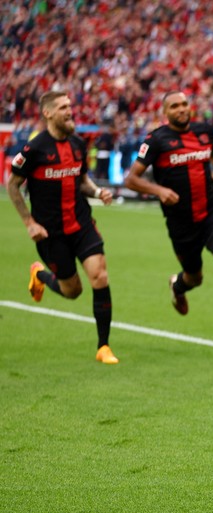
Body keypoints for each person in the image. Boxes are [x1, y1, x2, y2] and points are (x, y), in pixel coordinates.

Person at [123, 91, 213, 356]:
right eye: (174, 106)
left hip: (212, 211)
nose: (181, 109)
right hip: (181, 222)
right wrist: (159, 191)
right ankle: (178, 286)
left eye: (184, 104)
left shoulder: (204, 132)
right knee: (195, 277)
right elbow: (131, 179)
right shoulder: (156, 140)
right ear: (165, 112)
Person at [7, 90, 119, 364]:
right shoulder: (34, 150)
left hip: (81, 224)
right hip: (50, 233)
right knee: (73, 291)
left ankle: (103, 346)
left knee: (100, 277)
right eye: (63, 108)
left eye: (70, 106)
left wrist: (97, 192)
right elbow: (12, 186)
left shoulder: (78, 144)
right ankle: (40, 275)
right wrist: (29, 223)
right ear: (48, 114)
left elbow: (82, 180)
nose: (70, 111)